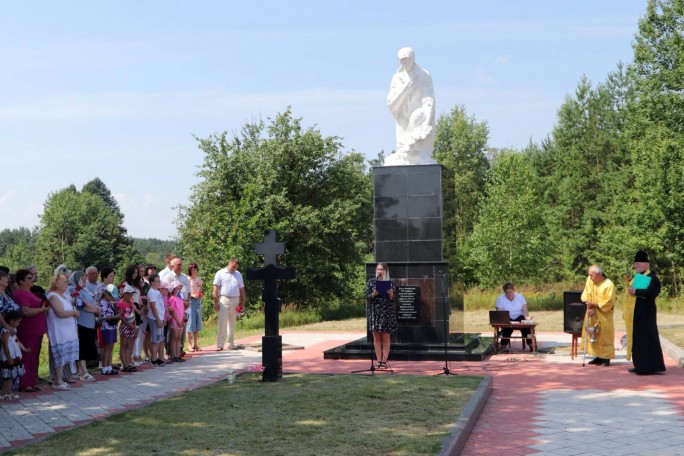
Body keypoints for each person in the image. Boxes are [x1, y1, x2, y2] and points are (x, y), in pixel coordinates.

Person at [385, 47, 437, 166]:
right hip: (402, 118)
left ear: (413, 59)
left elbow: (428, 99)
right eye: (401, 60)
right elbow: (390, 103)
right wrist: (405, 90)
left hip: (419, 116)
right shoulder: (396, 78)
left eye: (407, 60)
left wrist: (427, 122)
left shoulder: (424, 74)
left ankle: (419, 156)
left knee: (417, 145)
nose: (404, 63)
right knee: (403, 149)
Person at [627, 251, 666, 374]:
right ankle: (639, 365)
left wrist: (636, 291)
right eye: (635, 264)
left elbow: (653, 293)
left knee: (647, 339)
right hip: (635, 313)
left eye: (638, 264)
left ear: (646, 265)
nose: (636, 266)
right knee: (637, 340)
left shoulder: (652, 277)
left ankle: (649, 366)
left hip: (647, 314)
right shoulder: (636, 277)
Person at [14, 269, 49, 392]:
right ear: (21, 281)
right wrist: (41, 310)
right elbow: (26, 311)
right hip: (28, 329)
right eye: (29, 278)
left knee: (34, 357)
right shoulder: (20, 294)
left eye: (32, 277)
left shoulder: (29, 292)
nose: (32, 279)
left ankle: (32, 381)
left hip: (36, 329)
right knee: (27, 356)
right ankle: (25, 383)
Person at [46, 273, 80, 390]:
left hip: (68, 329)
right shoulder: (52, 295)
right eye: (64, 282)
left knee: (66, 354)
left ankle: (62, 378)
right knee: (60, 354)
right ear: (56, 283)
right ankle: (57, 380)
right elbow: (60, 312)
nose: (67, 284)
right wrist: (74, 313)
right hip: (59, 329)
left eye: (66, 281)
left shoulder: (65, 295)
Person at [581, 265, 616, 366]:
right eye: (589, 274)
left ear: (599, 274)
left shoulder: (609, 284)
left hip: (604, 314)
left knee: (604, 336)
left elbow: (610, 301)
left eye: (592, 275)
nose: (590, 276)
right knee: (593, 334)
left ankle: (606, 358)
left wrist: (595, 305)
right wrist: (589, 307)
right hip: (591, 312)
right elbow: (586, 294)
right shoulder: (589, 280)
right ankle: (597, 356)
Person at [69, 270, 100, 381]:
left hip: (89, 323)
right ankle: (83, 372)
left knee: (86, 347)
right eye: (81, 277)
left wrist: (97, 308)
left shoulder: (84, 289)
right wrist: (96, 310)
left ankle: (82, 370)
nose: (84, 279)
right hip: (81, 323)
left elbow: (91, 302)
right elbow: (82, 305)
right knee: (82, 348)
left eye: (84, 277)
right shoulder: (73, 289)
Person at [365, 263, 397, 369]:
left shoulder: (390, 283)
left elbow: (394, 299)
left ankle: (384, 361)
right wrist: (372, 295)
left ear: (385, 271)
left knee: (385, 336)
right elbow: (366, 296)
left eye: (382, 269)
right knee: (376, 336)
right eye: (378, 269)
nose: (379, 271)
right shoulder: (371, 282)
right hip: (375, 312)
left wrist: (391, 294)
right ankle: (378, 360)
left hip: (386, 311)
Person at [213, 258, 245, 351]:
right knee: (222, 321)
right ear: (229, 263)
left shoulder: (238, 274)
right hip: (224, 298)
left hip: (235, 299)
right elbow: (215, 288)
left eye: (236, 267)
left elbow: (242, 289)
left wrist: (242, 303)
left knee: (232, 321)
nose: (234, 269)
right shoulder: (220, 273)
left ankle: (231, 343)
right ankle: (220, 344)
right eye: (233, 266)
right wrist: (215, 302)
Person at [495, 283, 532, 350]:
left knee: (526, 327)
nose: (509, 294)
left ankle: (531, 345)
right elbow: (499, 313)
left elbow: (525, 309)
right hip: (507, 318)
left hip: (519, 316)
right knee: (507, 328)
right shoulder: (500, 299)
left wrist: (527, 317)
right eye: (507, 292)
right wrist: (503, 320)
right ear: (504, 292)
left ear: (513, 290)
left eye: (510, 291)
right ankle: (503, 346)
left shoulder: (520, 297)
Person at [0, 310, 28, 401]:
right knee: (9, 376)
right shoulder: (5, 331)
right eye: (18, 322)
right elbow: (5, 345)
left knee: (12, 375)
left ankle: (8, 392)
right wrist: (9, 358)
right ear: (12, 321)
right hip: (9, 356)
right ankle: (4, 393)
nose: (19, 324)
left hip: (15, 355)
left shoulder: (13, 330)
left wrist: (24, 349)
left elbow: (16, 341)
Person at [98, 288, 119, 375]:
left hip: (112, 326)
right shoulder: (102, 303)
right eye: (111, 296)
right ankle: (105, 367)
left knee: (111, 347)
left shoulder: (109, 303)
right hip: (106, 327)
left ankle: (109, 366)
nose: (112, 298)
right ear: (106, 295)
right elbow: (103, 317)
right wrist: (115, 317)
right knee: (107, 347)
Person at [117, 285, 138, 372]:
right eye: (129, 294)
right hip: (125, 326)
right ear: (125, 294)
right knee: (123, 344)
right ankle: (124, 364)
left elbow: (133, 314)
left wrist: (134, 325)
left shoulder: (130, 303)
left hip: (131, 325)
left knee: (129, 344)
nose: (131, 296)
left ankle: (128, 362)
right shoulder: (121, 303)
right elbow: (121, 316)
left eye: (132, 294)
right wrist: (129, 325)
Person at [145, 274, 166, 366]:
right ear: (152, 282)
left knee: (159, 338)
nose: (159, 283)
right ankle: (154, 358)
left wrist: (162, 318)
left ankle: (158, 357)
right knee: (155, 339)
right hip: (154, 318)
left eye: (159, 281)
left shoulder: (157, 291)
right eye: (157, 281)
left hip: (160, 317)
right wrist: (158, 319)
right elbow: (153, 307)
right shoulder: (152, 292)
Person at [186, 262, 203, 351]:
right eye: (193, 270)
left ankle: (195, 344)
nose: (194, 271)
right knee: (190, 322)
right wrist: (192, 295)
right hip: (190, 301)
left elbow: (199, 290)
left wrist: (199, 294)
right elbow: (185, 291)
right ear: (189, 270)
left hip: (198, 301)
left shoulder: (199, 280)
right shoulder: (187, 279)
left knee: (197, 322)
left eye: (195, 269)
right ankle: (189, 344)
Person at [167, 281, 185, 362]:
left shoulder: (180, 299)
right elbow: (172, 311)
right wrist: (177, 320)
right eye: (177, 288)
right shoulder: (172, 299)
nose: (179, 290)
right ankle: (173, 354)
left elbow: (183, 309)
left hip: (180, 320)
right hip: (175, 320)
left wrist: (183, 319)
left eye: (180, 288)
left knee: (179, 338)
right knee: (174, 337)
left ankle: (178, 354)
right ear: (173, 289)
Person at [0, 269, 20, 334]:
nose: (8, 280)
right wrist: (6, 326)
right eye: (5, 278)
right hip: (3, 331)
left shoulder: (5, 292)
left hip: (9, 329)